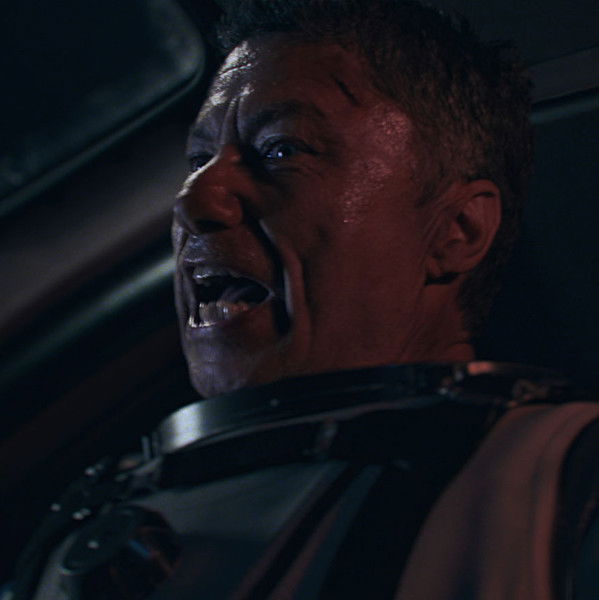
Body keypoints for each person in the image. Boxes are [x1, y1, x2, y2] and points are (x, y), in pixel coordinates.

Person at [16, 1, 599, 599]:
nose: (195, 199)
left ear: (458, 229)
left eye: (281, 150)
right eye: (197, 160)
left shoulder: (557, 487)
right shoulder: (86, 530)